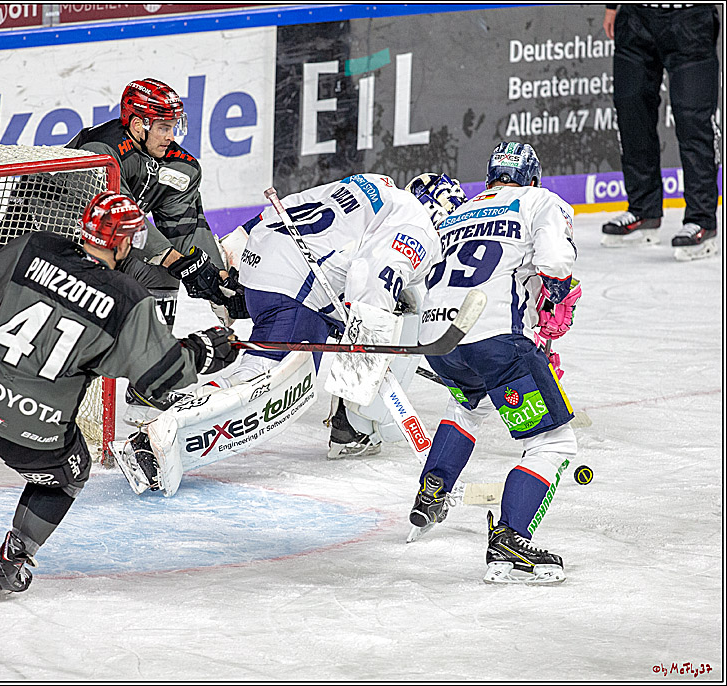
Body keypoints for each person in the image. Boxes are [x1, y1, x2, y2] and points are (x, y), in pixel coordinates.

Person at [0, 191, 238, 599]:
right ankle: (13, 560)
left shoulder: (36, 246)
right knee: (69, 473)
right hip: (35, 431)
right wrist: (204, 349)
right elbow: (160, 380)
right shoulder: (127, 297)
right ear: (121, 243)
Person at [118, 173, 464, 497]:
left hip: (264, 262)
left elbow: (284, 209)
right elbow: (373, 276)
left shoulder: (374, 185)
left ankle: (350, 422)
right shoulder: (420, 225)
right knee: (262, 386)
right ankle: (160, 435)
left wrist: (233, 267)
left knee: (383, 310)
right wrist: (362, 364)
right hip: (298, 289)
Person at [407, 141, 580, 585]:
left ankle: (432, 490)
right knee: (552, 444)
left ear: (489, 180)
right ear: (533, 179)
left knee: (469, 404)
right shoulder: (541, 200)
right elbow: (556, 261)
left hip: (440, 344)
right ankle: (510, 538)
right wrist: (555, 295)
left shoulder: (452, 215)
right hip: (497, 345)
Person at [66, 77, 247, 419]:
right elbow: (119, 218)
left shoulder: (177, 164)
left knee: (160, 274)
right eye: (164, 127)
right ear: (137, 124)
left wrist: (215, 276)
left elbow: (185, 226)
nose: (171, 135)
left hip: (105, 249)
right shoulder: (100, 153)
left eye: (174, 126)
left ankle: (152, 381)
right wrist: (178, 259)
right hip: (50, 243)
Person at [600, 4, 720, 261]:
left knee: (693, 122)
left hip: (691, 17)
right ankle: (643, 210)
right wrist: (611, 7)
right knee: (632, 114)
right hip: (635, 17)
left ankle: (702, 220)